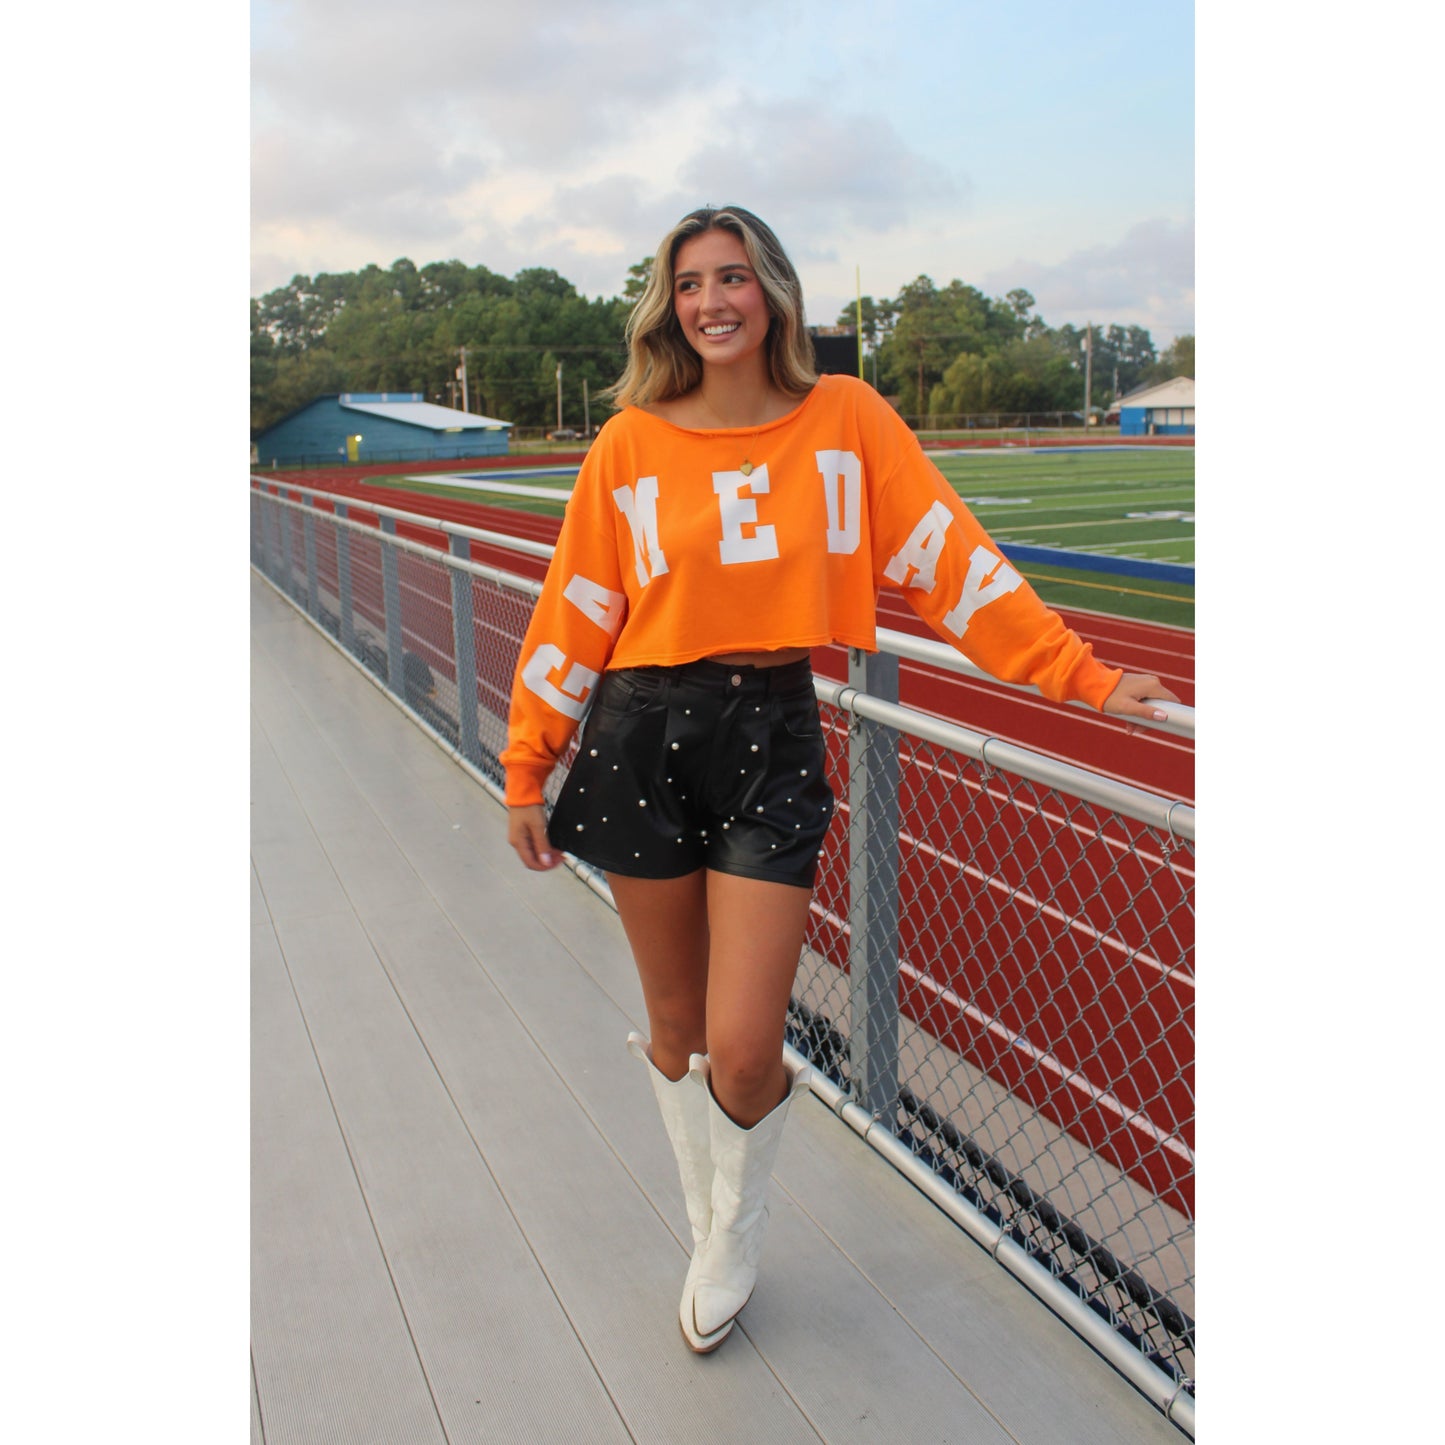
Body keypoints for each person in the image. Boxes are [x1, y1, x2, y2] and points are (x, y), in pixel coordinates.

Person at [501, 204, 1179, 1353]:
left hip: (769, 729)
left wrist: (1077, 673)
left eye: (731, 278)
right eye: (688, 284)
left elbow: (946, 556)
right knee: (675, 1024)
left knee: (749, 1037)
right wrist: (528, 758)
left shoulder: (846, 421)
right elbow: (580, 602)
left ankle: (735, 1230)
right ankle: (703, 1215)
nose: (709, 301)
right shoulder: (627, 442)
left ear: (772, 293)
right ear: (669, 305)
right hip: (638, 732)